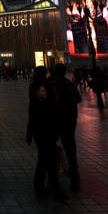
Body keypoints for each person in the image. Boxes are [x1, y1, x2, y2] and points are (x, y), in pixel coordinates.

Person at [27, 67, 67, 201]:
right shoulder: (44, 87)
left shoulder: (33, 88)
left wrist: (30, 130)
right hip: (47, 128)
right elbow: (51, 108)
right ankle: (55, 188)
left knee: (44, 157)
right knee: (50, 159)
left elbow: (31, 111)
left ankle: (39, 182)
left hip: (39, 129)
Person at [50, 64, 81, 191]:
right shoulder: (69, 84)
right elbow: (78, 99)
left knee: (54, 145)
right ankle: (74, 170)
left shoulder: (52, 85)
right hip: (70, 119)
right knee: (70, 145)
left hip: (57, 119)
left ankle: (55, 172)